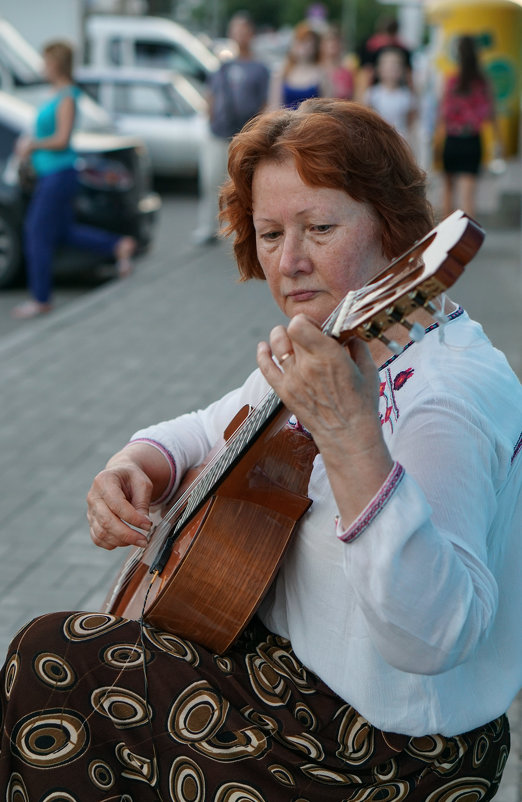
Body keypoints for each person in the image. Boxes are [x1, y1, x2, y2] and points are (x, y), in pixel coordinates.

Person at [1, 99, 520, 801]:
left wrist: (348, 432)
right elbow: (206, 428)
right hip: (292, 681)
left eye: (321, 228)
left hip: (388, 750)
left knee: (53, 660)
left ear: (396, 226)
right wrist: (134, 465)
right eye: (270, 233)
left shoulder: (444, 396)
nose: (291, 261)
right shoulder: (336, 337)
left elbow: (435, 639)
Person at [12, 40, 137, 319]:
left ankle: (41, 298)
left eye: (45, 61)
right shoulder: (56, 93)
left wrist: (32, 145)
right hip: (51, 174)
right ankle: (117, 245)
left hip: (58, 174)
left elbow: (62, 139)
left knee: (35, 233)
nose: (42, 67)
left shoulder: (67, 96)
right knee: (64, 232)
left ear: (56, 63)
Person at [193, 12, 269, 246]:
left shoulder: (260, 68)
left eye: (243, 29)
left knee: (244, 185)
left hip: (245, 135)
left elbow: (265, 102)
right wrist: (211, 117)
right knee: (211, 181)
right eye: (235, 29)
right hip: (218, 133)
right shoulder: (221, 67)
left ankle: (243, 230)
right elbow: (210, 96)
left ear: (251, 33)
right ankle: (207, 226)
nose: (239, 34)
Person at [437, 35, 502, 219]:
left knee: (448, 193)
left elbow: (443, 114)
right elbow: (491, 114)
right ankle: (469, 244)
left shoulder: (451, 81)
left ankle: (445, 243)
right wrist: (499, 142)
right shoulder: (482, 83)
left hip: (452, 139)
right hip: (472, 140)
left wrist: (436, 141)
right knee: (468, 196)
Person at [364, 47, 417, 142]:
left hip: (401, 140)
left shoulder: (407, 95)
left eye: (395, 65)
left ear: (401, 70)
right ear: (379, 69)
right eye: (387, 65)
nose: (391, 68)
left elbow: (411, 120)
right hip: (379, 140)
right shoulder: (373, 94)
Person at [268, 21, 323, 109]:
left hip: (312, 121)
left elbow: (327, 109)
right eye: (302, 41)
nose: (306, 46)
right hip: (287, 121)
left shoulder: (321, 73)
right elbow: (274, 106)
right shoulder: (283, 72)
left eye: (310, 42)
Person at [319, 24, 354, 100]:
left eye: (336, 41)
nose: (333, 43)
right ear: (322, 45)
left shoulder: (348, 73)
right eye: (329, 40)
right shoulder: (317, 70)